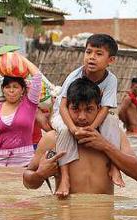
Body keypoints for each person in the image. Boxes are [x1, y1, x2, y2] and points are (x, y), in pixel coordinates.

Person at [23, 78, 137, 195]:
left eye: (89, 109)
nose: (82, 117)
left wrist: (106, 146)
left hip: (102, 214)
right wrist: (40, 174)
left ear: (99, 109)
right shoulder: (52, 138)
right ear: (65, 109)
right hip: (66, 214)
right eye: (75, 109)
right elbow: (27, 182)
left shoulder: (113, 135)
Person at [52, 34, 123, 198]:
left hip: (92, 117)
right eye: (88, 52)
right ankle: (65, 177)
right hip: (65, 115)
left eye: (99, 54)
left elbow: (105, 108)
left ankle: (114, 166)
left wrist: (91, 129)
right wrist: (73, 128)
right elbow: (62, 106)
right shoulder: (75, 76)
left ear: (110, 60)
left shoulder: (111, 80)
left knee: (113, 121)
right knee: (63, 130)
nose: (92, 57)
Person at [0, 56, 42, 167]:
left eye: (15, 87)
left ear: (23, 90)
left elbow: (37, 76)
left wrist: (19, 58)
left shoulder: (29, 104)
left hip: (25, 163)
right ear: (2, 89)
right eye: (7, 87)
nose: (11, 90)